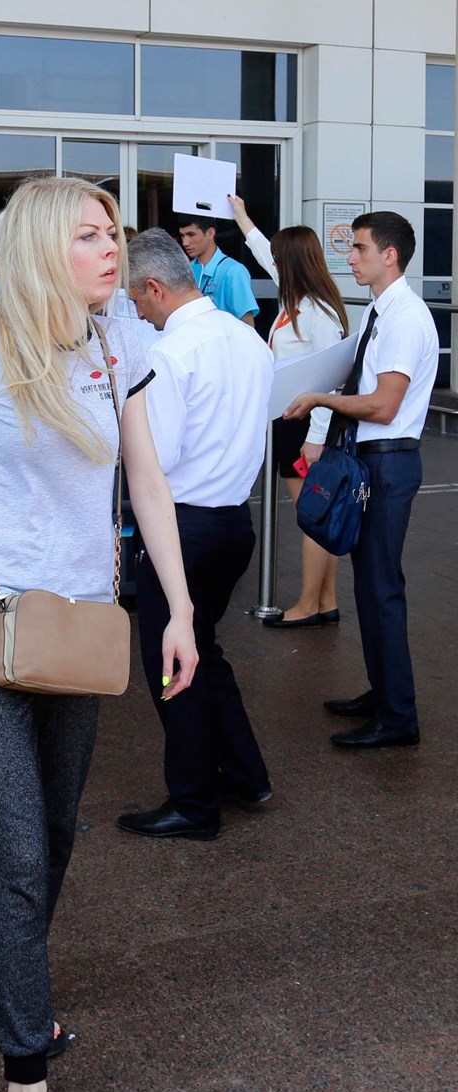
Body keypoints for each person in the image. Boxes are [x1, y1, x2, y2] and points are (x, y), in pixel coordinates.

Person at [0, 178, 197, 1092]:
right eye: (91, 234)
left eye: (114, 232)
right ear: (38, 248)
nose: (115, 248)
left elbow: (146, 481)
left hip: (82, 620)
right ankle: (27, 1078)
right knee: (17, 851)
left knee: (56, 835)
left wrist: (179, 608)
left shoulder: (126, 347)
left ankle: (21, 978)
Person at [119, 228, 273, 842]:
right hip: (235, 518)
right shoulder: (247, 338)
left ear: (155, 288)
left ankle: (194, 803)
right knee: (202, 647)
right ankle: (243, 772)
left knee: (171, 662)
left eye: (134, 297)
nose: (133, 309)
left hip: (181, 523)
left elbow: (159, 457)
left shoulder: (168, 353)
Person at [283, 212, 438, 749]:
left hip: (388, 461)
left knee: (381, 589)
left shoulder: (403, 318)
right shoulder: (381, 310)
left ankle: (398, 718)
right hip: (374, 460)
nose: (350, 258)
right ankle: (384, 694)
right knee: (371, 588)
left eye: (361, 248)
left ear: (390, 255)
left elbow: (382, 404)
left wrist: (320, 399)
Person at [229, 195, 349, 628]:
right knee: (320, 516)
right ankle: (326, 601)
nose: (272, 265)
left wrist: (315, 439)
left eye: (280, 260)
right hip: (290, 421)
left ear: (293, 263)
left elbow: (328, 381)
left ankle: (307, 606)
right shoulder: (295, 301)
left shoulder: (317, 313)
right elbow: (265, 253)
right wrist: (241, 216)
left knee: (313, 519)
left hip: (304, 427)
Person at [176, 213, 258, 326]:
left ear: (210, 233)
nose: (185, 242)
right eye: (182, 236)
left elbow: (247, 325)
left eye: (191, 235)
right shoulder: (183, 270)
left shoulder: (233, 271)